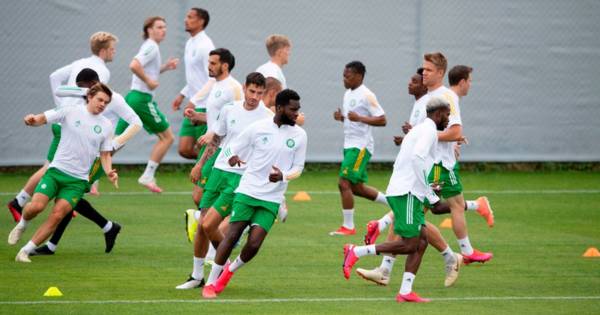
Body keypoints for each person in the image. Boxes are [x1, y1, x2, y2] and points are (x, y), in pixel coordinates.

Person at [343, 97, 452, 303]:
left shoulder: (423, 130)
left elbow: (423, 161)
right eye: (447, 115)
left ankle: (405, 291)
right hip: (408, 192)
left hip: (407, 191)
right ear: (438, 114)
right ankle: (356, 251)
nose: (448, 119)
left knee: (421, 241)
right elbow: (417, 158)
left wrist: (432, 184)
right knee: (410, 244)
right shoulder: (428, 131)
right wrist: (430, 192)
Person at [201, 89, 307, 299]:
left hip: (272, 198)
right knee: (231, 236)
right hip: (248, 190)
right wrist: (231, 157)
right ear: (279, 108)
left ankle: (229, 271)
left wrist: (283, 176)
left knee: (255, 243)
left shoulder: (300, 135)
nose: (297, 114)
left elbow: (299, 168)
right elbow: (231, 148)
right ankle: (211, 283)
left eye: (298, 110)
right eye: (293, 110)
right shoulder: (258, 128)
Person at [7, 31, 118, 221]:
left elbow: (54, 77)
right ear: (104, 51)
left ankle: (55, 200)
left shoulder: (78, 62)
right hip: (74, 124)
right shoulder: (103, 71)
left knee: (53, 166)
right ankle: (19, 201)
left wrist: (61, 107)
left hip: (65, 119)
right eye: (113, 49)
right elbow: (95, 99)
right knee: (51, 167)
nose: (114, 53)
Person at [30, 68, 142, 256]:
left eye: (82, 87)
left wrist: (114, 144)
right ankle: (105, 228)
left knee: (69, 194)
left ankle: (105, 227)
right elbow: (60, 91)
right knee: (68, 197)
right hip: (85, 152)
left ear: (91, 84)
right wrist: (84, 91)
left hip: (98, 156)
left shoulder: (115, 100)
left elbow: (137, 123)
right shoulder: (89, 96)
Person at [176, 72, 273, 290]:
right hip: (218, 170)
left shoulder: (266, 117)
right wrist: (200, 165)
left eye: (259, 93)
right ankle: (197, 275)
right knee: (202, 223)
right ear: (245, 88)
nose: (255, 96)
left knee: (209, 223)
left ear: (263, 93)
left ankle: (223, 264)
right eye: (252, 91)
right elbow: (216, 139)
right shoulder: (229, 109)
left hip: (240, 177)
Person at [8, 83, 118, 263]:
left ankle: (25, 251)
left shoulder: (106, 125)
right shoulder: (70, 111)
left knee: (57, 215)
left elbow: (105, 154)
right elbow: (43, 118)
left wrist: (109, 172)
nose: (102, 105)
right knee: (36, 207)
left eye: (106, 102)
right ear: (89, 97)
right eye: (100, 100)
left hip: (77, 181)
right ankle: (23, 224)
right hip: (56, 172)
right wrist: (32, 120)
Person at [183, 48, 243, 242]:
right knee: (199, 197)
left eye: (213, 63)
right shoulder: (216, 85)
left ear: (224, 66)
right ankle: (227, 229)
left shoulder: (233, 88)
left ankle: (231, 229)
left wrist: (212, 134)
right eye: (208, 62)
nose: (208, 66)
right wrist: (198, 116)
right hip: (212, 146)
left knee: (202, 195)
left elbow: (237, 119)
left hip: (223, 149)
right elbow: (216, 118)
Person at [115, 16, 179, 193]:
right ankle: (148, 175)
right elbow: (134, 65)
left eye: (165, 27)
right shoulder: (151, 46)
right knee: (168, 137)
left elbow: (147, 69)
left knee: (117, 141)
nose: (163, 30)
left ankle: (89, 176)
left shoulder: (151, 47)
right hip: (142, 99)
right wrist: (149, 81)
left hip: (132, 97)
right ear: (149, 30)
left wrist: (165, 67)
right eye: (159, 27)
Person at [330, 61, 388, 236]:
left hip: (360, 147)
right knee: (357, 188)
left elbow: (382, 119)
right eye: (343, 75)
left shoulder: (367, 95)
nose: (344, 79)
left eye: (347, 76)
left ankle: (348, 226)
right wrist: (342, 118)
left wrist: (360, 118)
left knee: (343, 182)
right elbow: (352, 118)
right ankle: (394, 203)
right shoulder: (348, 94)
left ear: (358, 76)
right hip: (350, 145)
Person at [172, 8, 215, 160]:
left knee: (204, 151)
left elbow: (213, 78)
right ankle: (212, 162)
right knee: (184, 149)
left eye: (190, 17)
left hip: (204, 106)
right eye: (186, 16)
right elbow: (195, 76)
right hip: (193, 104)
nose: (186, 19)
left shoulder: (206, 46)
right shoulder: (190, 43)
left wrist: (194, 100)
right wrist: (182, 94)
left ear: (201, 21)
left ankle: (208, 166)